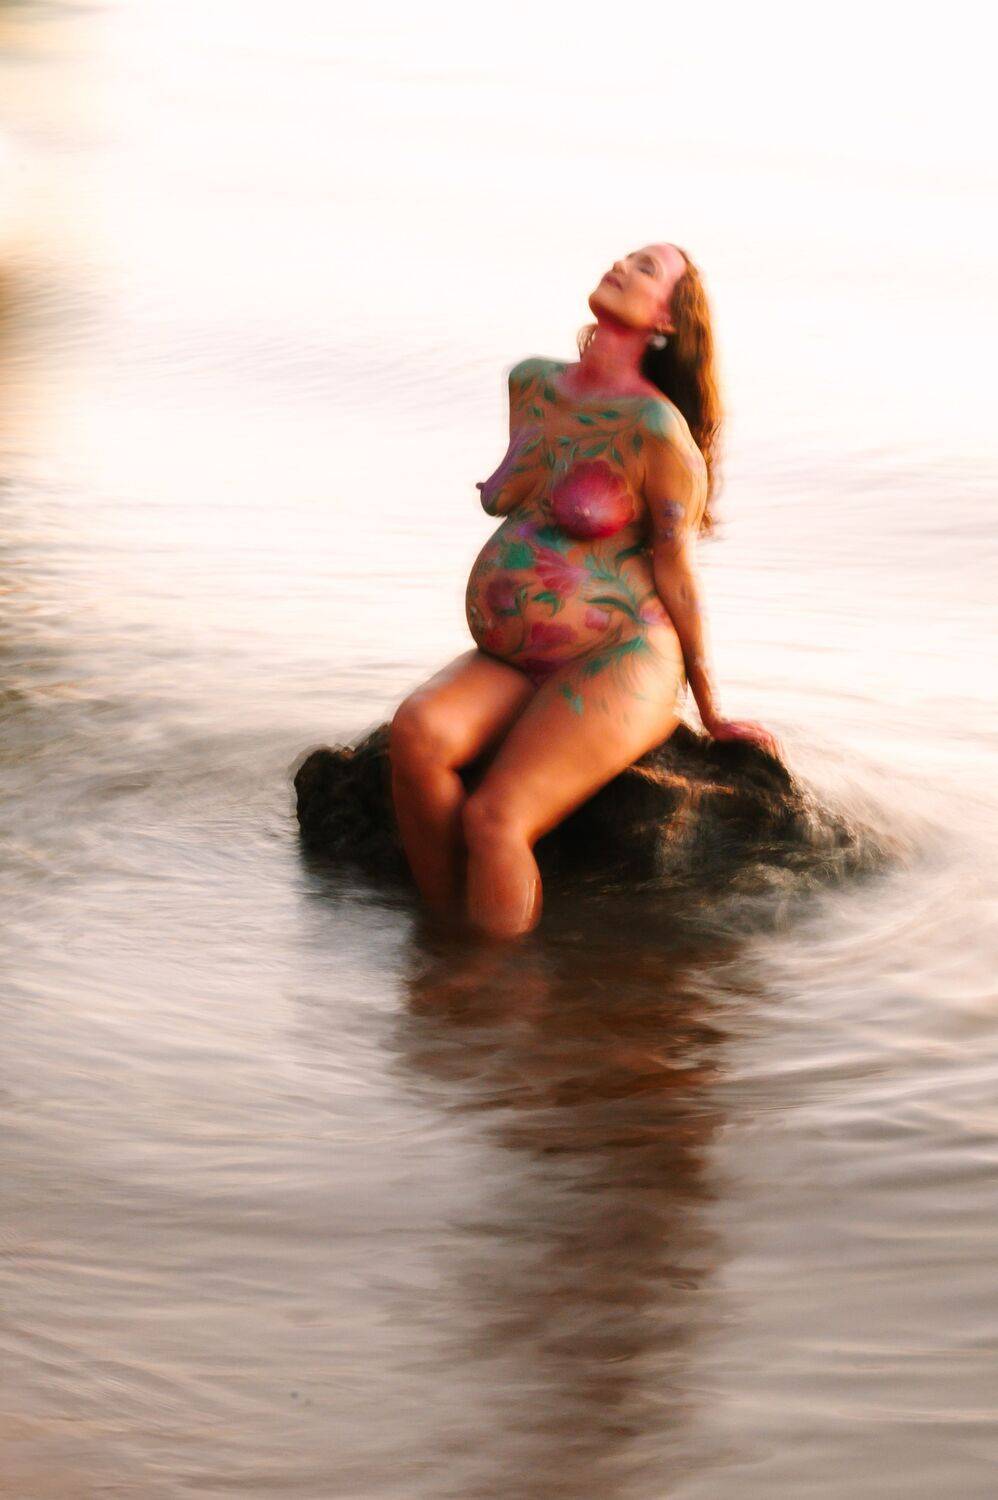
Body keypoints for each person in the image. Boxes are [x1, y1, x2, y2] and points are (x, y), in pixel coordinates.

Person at [389, 242, 779, 940]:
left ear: (667, 321)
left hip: (620, 655)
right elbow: (520, 490)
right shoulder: (533, 383)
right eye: (625, 258)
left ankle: (495, 981)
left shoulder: (658, 432)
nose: (622, 267)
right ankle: (445, 947)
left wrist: (711, 709)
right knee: (417, 736)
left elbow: (677, 573)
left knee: (496, 818)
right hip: (517, 660)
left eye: (646, 269)